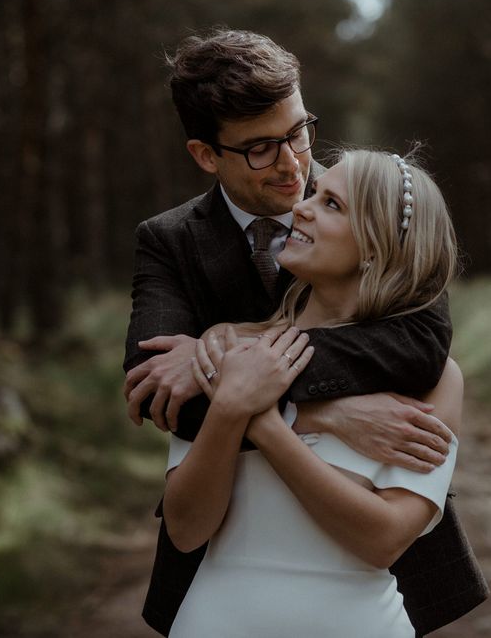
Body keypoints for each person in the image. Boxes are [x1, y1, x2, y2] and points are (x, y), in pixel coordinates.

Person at [122, 28, 487, 637]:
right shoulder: (169, 240)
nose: (295, 168)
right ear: (207, 154)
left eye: (298, 131)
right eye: (262, 148)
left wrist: (253, 379)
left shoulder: (371, 199)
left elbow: (421, 345)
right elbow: (160, 392)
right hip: (219, 593)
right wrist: (323, 413)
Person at [164, 149, 463, 637]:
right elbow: (185, 529)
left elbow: (383, 539)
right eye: (315, 195)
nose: (301, 206)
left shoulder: (436, 380)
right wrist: (231, 408)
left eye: (331, 205)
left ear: (375, 246)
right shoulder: (227, 346)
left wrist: (258, 415)